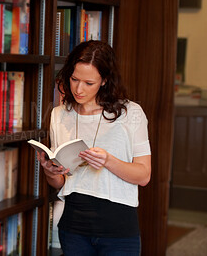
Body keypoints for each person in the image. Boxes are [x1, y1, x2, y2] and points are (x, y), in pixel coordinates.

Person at [37, 40, 151, 255]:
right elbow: (61, 184)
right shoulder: (59, 115)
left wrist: (108, 161)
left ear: (105, 80)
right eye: (74, 79)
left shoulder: (131, 114)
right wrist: (50, 172)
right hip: (73, 228)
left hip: (118, 231)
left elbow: (144, 176)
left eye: (89, 83)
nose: (79, 89)